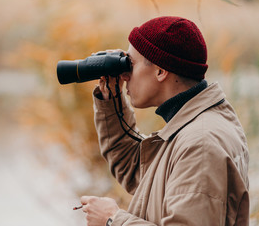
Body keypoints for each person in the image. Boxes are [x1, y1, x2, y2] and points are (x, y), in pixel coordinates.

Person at [80, 16, 250, 225]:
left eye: (130, 64)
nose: (124, 75)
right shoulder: (195, 125)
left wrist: (113, 219)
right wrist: (111, 99)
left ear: (160, 71)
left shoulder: (200, 144)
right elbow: (136, 169)